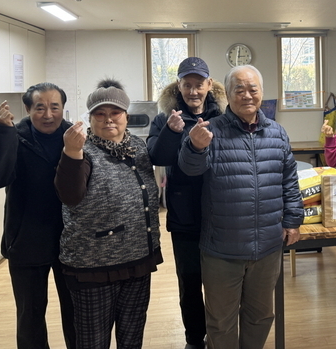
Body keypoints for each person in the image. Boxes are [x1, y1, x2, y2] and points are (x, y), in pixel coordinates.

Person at [178, 65, 304, 349]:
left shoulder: (277, 133)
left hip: (268, 246)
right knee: (220, 321)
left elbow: (289, 179)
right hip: (222, 249)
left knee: (261, 316)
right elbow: (190, 169)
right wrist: (195, 147)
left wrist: (293, 220)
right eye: (239, 90)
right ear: (227, 93)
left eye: (253, 89)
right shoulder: (210, 131)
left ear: (262, 92)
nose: (247, 95)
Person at [54, 79, 162, 349]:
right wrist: (71, 151)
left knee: (132, 338)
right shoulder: (82, 150)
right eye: (100, 114)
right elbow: (70, 195)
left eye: (115, 112)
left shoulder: (137, 146)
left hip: (137, 260)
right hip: (93, 267)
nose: (109, 119)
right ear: (90, 119)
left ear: (126, 116)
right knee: (93, 341)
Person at [0, 82, 76, 349]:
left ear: (63, 108)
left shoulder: (73, 137)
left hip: (71, 241)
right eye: (40, 108)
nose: (48, 115)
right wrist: (2, 133)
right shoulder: (15, 136)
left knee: (77, 316)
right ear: (27, 109)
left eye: (55, 107)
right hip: (26, 241)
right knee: (30, 318)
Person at [147, 57, 227, 349]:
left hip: (221, 213)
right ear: (178, 86)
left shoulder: (223, 116)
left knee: (221, 283)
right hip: (184, 216)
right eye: (187, 85)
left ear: (209, 85)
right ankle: (194, 339)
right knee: (190, 283)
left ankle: (221, 337)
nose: (193, 91)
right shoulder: (164, 119)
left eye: (199, 84)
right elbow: (157, 156)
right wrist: (172, 131)